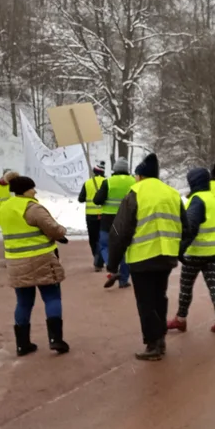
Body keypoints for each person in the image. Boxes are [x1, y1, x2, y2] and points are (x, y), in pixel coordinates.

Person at [106, 153, 190, 361]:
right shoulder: (172, 193)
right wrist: (179, 251)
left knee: (146, 301)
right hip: (166, 256)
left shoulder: (136, 192)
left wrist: (113, 263)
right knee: (160, 297)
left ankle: (153, 345)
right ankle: (159, 340)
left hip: (142, 256)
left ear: (141, 176)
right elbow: (185, 227)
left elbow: (120, 230)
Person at [0, 174, 70, 356]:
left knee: (23, 302)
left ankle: (22, 344)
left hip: (16, 262)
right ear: (26, 190)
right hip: (42, 258)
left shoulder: (4, 208)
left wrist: (4, 180)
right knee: (52, 298)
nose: (35, 191)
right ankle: (55, 339)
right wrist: (61, 233)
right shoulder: (32, 207)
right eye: (32, 188)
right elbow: (52, 228)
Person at [167, 167, 215, 334]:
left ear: (193, 182)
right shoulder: (211, 199)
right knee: (214, 285)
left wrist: (180, 249)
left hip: (196, 252)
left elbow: (191, 228)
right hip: (214, 251)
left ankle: (181, 319)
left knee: (186, 286)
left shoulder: (197, 200)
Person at [93, 157, 132, 289]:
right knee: (126, 250)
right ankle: (123, 280)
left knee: (105, 246)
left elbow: (97, 200)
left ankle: (112, 269)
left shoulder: (108, 182)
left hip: (108, 220)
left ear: (115, 169)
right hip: (127, 220)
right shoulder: (134, 182)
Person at [78, 161, 107, 271]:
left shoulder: (87, 183)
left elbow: (81, 199)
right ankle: (100, 260)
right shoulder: (106, 182)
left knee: (93, 238)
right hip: (103, 214)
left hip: (90, 216)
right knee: (102, 238)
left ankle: (96, 257)